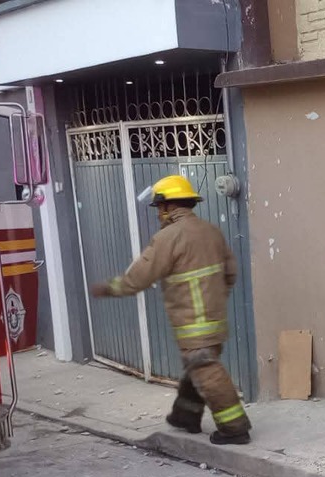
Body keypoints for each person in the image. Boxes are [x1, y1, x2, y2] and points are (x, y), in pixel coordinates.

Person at [90, 174, 252, 445]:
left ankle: (235, 427)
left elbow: (137, 278)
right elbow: (230, 273)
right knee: (198, 367)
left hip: (193, 323)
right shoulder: (211, 231)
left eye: (159, 208)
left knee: (206, 372)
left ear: (167, 207)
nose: (158, 214)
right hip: (215, 318)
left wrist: (107, 288)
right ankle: (185, 416)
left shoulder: (167, 238)